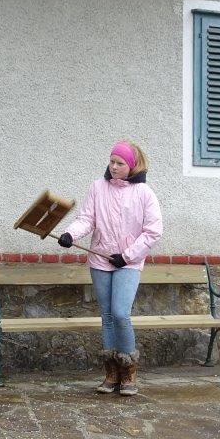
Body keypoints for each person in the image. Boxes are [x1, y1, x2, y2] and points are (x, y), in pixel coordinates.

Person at [59, 141, 162, 396]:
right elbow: (87, 219)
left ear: (132, 166)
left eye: (120, 163)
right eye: (112, 161)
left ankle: (128, 371)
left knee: (120, 313)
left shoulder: (144, 193)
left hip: (128, 262)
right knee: (106, 316)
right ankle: (111, 373)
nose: (114, 167)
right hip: (100, 259)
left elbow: (153, 231)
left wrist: (127, 256)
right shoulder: (98, 187)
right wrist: (71, 234)